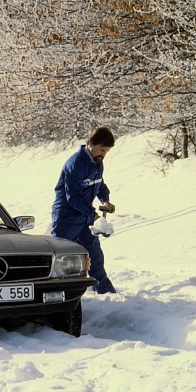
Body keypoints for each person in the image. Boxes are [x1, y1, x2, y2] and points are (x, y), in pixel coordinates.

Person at [51, 126, 118, 294]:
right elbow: (72, 197)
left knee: (95, 256)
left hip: (85, 217)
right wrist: (93, 215)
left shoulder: (97, 163)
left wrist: (106, 199)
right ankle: (57, 295)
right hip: (67, 218)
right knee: (60, 260)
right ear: (91, 143)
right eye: (102, 149)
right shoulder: (75, 164)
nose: (103, 154)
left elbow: (99, 184)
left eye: (107, 151)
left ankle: (105, 293)